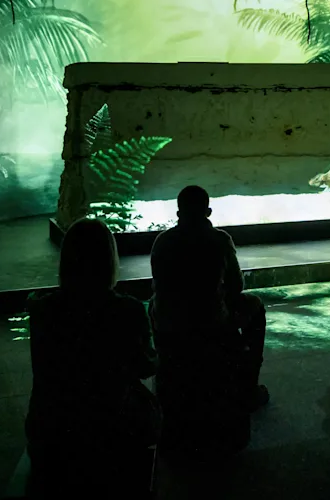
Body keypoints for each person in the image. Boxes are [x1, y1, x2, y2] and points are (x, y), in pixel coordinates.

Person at [24, 218, 160, 488]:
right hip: (110, 432)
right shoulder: (128, 310)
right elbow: (145, 367)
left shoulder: (43, 310)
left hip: (50, 433)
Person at [149, 185, 269, 411]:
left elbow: (158, 283)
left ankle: (168, 361)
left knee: (154, 305)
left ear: (178, 213)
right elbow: (237, 286)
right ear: (208, 212)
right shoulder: (220, 240)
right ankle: (248, 386)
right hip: (211, 323)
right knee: (255, 305)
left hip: (171, 323)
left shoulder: (162, 241)